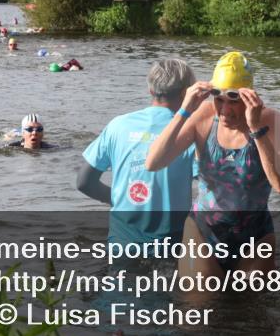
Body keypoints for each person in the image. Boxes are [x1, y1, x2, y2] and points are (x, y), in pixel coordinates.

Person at [146, 51, 280, 277]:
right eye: (218, 98)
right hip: (204, 232)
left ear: (248, 96)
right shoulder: (203, 116)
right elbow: (153, 163)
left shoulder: (271, 121)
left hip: (255, 236)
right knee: (198, 308)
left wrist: (256, 130)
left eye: (233, 99)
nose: (224, 110)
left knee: (254, 310)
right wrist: (185, 110)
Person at [77, 59, 198, 244]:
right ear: (186, 93)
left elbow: (84, 182)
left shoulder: (118, 125)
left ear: (151, 91)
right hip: (171, 241)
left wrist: (122, 201)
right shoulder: (191, 132)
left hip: (123, 238)